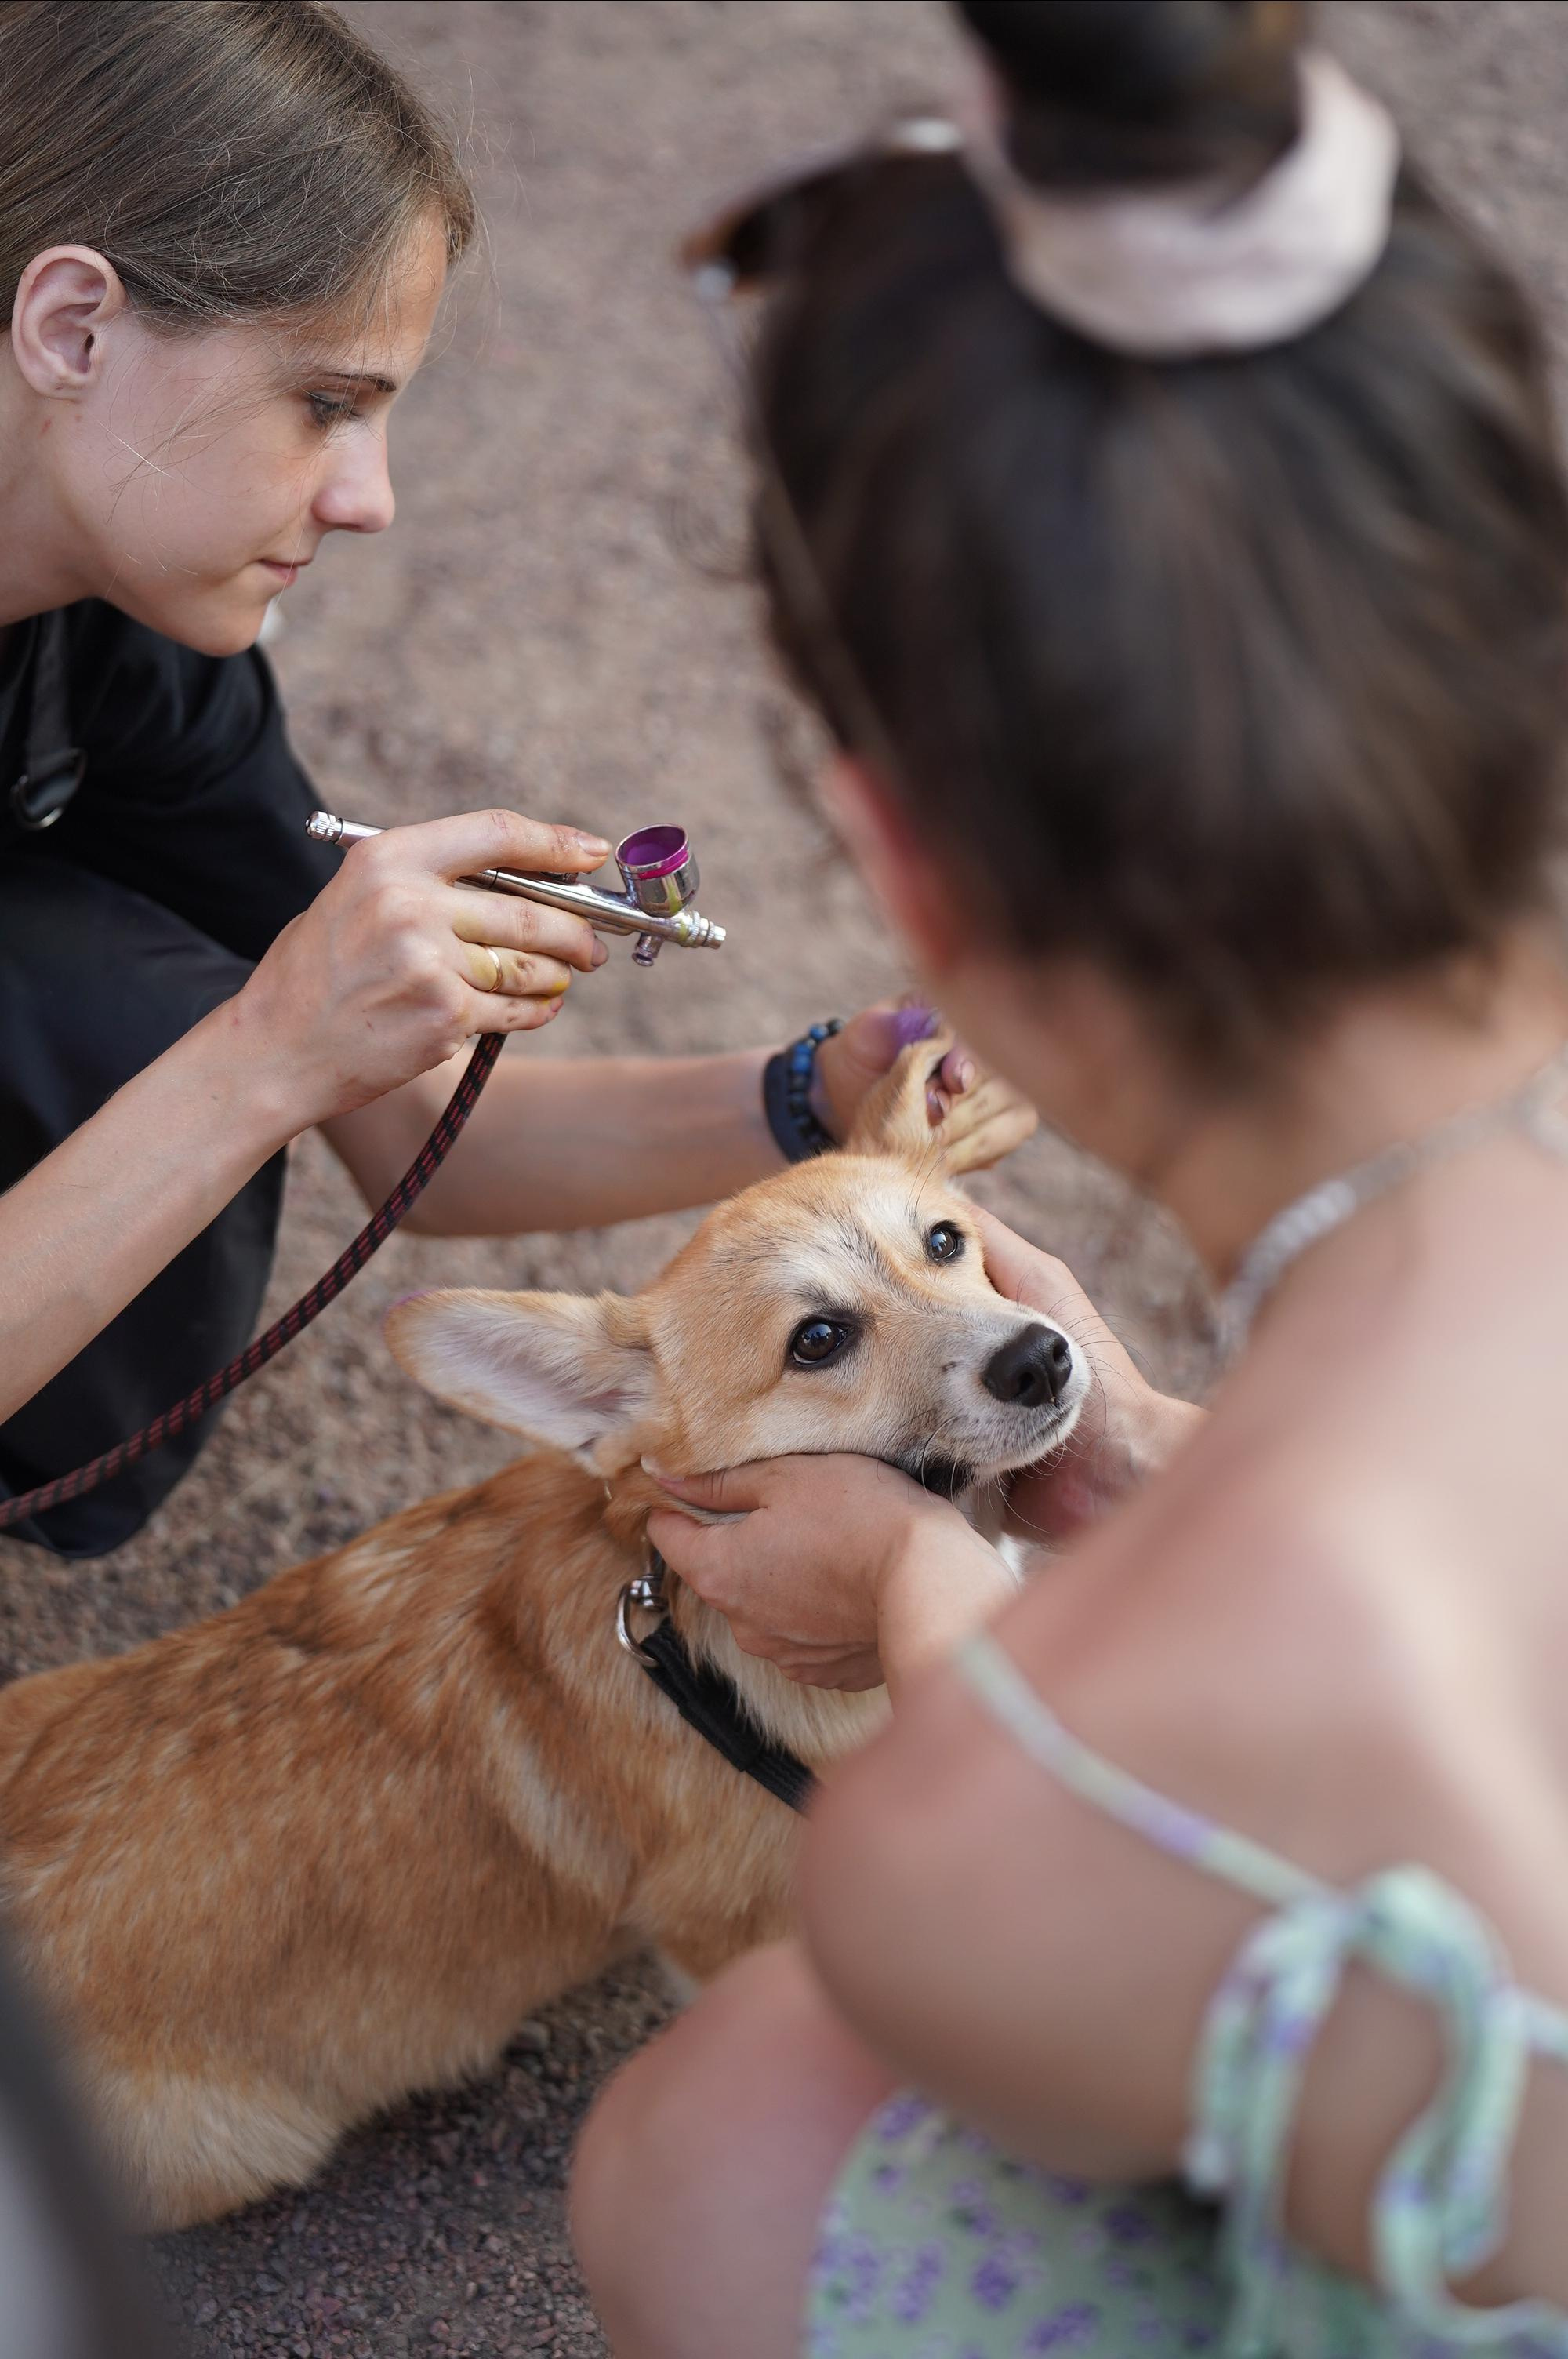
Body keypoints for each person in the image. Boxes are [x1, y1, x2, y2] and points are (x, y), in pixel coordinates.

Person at [569, 2, 1568, 2353]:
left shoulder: (968, 1865)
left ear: (899, 868)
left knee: (707, 2153)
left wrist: (938, 1599)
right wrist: (1137, 1444)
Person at [0, 0, 1031, 1558]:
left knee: (114, 990)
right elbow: (285, 1066)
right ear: (73, 327)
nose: (374, 500)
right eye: (326, 405)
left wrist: (813, 1087)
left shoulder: (129, 640)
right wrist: (266, 1052)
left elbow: (431, 1138)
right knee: (154, 1020)